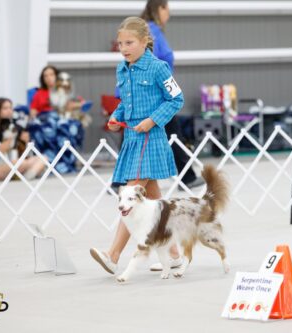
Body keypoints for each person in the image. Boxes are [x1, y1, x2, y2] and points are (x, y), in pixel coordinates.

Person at [90, 17, 184, 275]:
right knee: (152, 199)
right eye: (120, 43)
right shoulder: (122, 69)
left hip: (150, 139)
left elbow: (176, 99)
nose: (124, 48)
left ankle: (113, 255)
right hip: (131, 139)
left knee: (130, 195)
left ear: (145, 41)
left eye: (129, 42)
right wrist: (116, 117)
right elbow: (125, 102)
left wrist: (153, 120)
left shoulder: (158, 68)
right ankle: (174, 254)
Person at [141, 0, 205, 190]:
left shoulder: (150, 30)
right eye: (167, 8)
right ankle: (188, 177)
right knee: (172, 132)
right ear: (159, 9)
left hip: (156, 90)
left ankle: (187, 176)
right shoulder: (151, 31)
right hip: (156, 92)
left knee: (162, 133)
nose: (169, 13)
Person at [28, 66, 84, 173]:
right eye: (46, 76)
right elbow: (33, 112)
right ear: (43, 79)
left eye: (51, 74)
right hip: (46, 118)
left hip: (63, 117)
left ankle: (67, 163)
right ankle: (53, 163)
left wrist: (75, 105)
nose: (49, 78)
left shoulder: (66, 90)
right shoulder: (39, 94)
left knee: (71, 126)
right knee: (52, 126)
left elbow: (78, 104)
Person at [0, 98, 45, 181]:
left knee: (43, 158)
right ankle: (30, 173)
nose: (9, 111)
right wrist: (12, 135)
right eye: (5, 108)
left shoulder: (15, 124)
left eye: (10, 108)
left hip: (13, 164)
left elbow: (22, 150)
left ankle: (27, 177)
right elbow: (1, 150)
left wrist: (23, 140)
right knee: (19, 163)